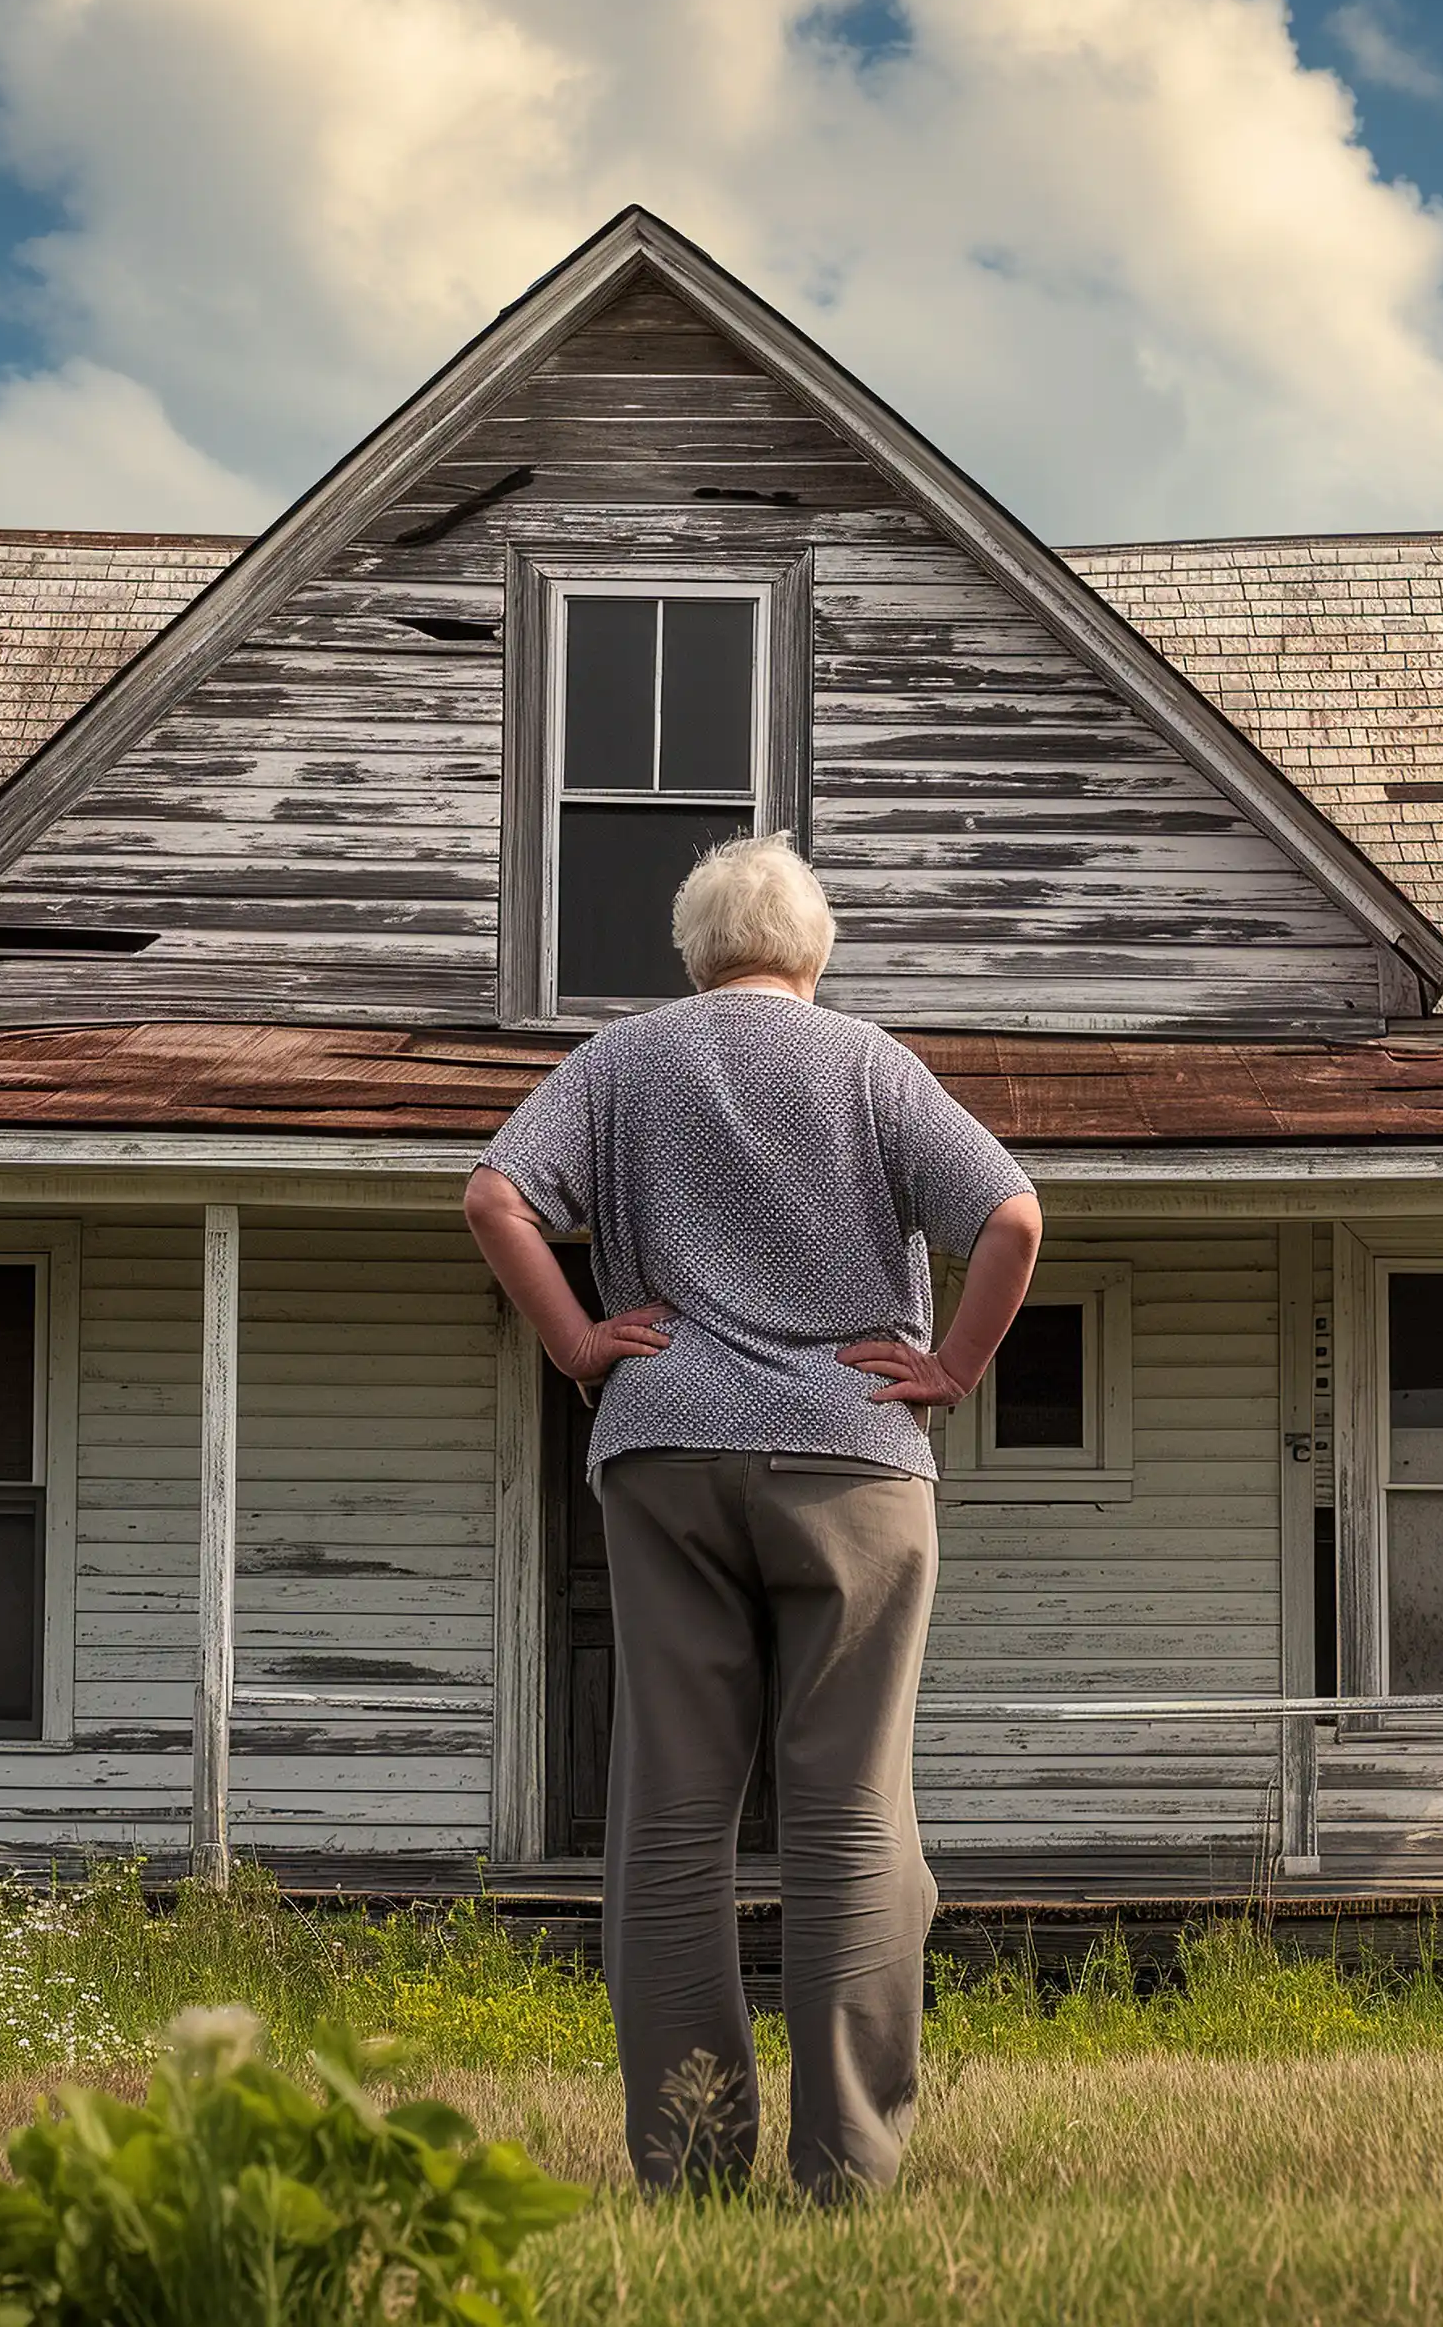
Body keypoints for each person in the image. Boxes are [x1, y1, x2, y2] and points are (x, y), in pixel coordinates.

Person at [461, 832, 1043, 2203]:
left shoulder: (618, 1063)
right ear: (815, 948)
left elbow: (493, 1193)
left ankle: (692, 2165)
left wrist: (579, 1343)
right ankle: (847, 2167)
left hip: (665, 1446)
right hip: (852, 1458)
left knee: (669, 1823)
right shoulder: (868, 1063)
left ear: (691, 948)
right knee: (849, 1816)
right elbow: (1011, 1216)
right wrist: (950, 1369)